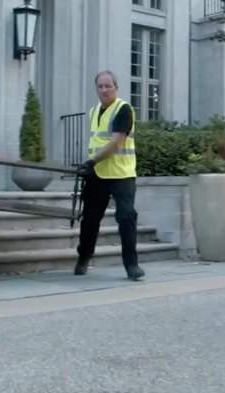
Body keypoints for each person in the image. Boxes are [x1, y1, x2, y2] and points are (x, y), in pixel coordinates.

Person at [74, 70, 144, 281]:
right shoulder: (94, 111)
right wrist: (91, 166)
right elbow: (97, 141)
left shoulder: (124, 110)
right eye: (100, 87)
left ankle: (132, 266)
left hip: (122, 174)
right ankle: (84, 258)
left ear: (116, 87)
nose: (104, 90)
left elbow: (115, 144)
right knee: (89, 221)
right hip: (97, 174)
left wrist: (91, 162)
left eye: (108, 86)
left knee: (126, 216)